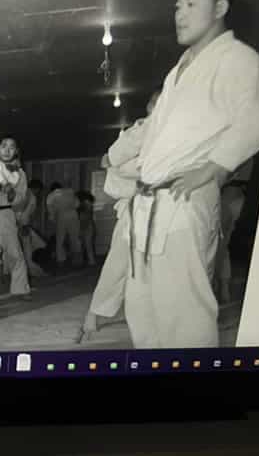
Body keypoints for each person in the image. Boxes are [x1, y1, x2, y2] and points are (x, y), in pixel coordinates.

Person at [125, 0, 259, 349]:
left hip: (184, 200)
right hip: (150, 203)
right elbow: (155, 134)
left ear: (221, 8)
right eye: (177, 5)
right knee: (143, 308)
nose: (180, 13)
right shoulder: (178, 71)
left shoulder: (238, 60)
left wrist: (214, 168)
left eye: (192, 3)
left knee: (184, 312)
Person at [77, 89, 160, 343]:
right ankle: (94, 315)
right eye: (156, 105)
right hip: (134, 209)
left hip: (165, 209)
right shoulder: (141, 130)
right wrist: (140, 173)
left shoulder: (178, 133)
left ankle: (153, 319)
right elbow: (111, 169)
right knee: (118, 264)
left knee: (156, 268)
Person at [0, 136, 31, 298]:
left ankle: (21, 289)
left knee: (15, 253)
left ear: (16, 151)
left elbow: (21, 200)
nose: (7, 150)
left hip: (6, 213)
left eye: (12, 147)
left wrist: (10, 193)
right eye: (3, 146)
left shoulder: (19, 173)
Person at [47, 182, 81, 269]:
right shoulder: (70, 192)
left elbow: (50, 210)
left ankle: (61, 261)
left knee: (60, 239)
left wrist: (52, 219)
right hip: (73, 214)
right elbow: (77, 204)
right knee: (75, 238)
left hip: (61, 216)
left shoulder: (50, 196)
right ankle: (77, 259)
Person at [76, 190, 97, 267]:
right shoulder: (88, 203)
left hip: (84, 224)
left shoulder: (83, 204)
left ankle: (82, 261)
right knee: (88, 245)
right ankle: (90, 261)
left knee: (82, 244)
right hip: (86, 224)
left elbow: (86, 216)